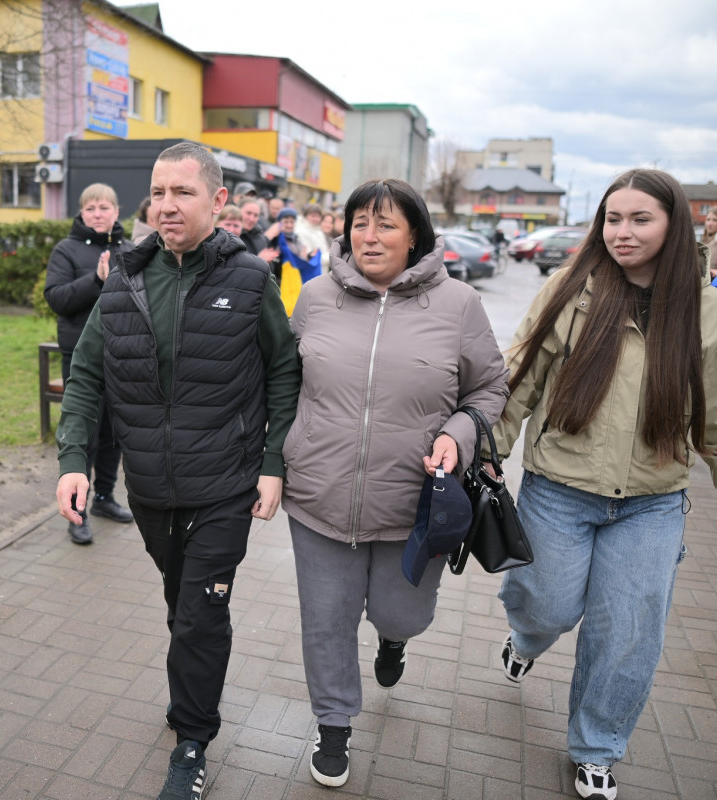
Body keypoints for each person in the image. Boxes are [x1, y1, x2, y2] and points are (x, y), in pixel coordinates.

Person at [491, 169, 717, 800]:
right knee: (548, 606)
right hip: (559, 489)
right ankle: (527, 638)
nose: (623, 232)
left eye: (641, 219)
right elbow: (519, 376)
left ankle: (596, 748)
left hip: (652, 502)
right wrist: (487, 452)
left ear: (673, 225)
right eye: (613, 219)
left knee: (628, 633)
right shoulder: (571, 288)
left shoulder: (704, 309)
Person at [54, 142, 300, 800]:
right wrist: (74, 462)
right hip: (151, 488)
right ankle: (192, 685)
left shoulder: (250, 280)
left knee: (199, 615)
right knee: (179, 603)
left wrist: (273, 462)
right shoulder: (125, 278)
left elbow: (283, 369)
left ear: (217, 201)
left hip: (226, 485)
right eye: (159, 193)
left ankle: (192, 741)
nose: (166, 205)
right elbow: (86, 376)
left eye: (182, 193)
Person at [282, 178, 508, 788]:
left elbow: (490, 386)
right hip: (319, 495)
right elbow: (283, 383)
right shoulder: (315, 297)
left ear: (415, 237)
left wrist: (458, 434)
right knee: (326, 620)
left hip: (415, 504)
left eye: (385, 224)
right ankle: (333, 724)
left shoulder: (459, 304)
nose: (370, 236)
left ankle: (393, 640)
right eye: (360, 223)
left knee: (400, 613)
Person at [43, 183, 136, 544]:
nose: (98, 214)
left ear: (117, 212)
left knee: (114, 433)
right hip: (82, 358)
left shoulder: (130, 250)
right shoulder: (65, 250)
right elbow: (57, 299)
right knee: (84, 434)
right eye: (91, 208)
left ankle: (104, 498)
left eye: (104, 207)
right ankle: (75, 512)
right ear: (81, 214)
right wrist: (96, 280)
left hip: (123, 355)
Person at [294, 203, 331, 273]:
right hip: (310, 273)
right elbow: (311, 258)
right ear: (305, 216)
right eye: (313, 216)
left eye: (318, 216)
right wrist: (331, 256)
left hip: (321, 272)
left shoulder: (318, 231)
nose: (316, 219)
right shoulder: (301, 232)